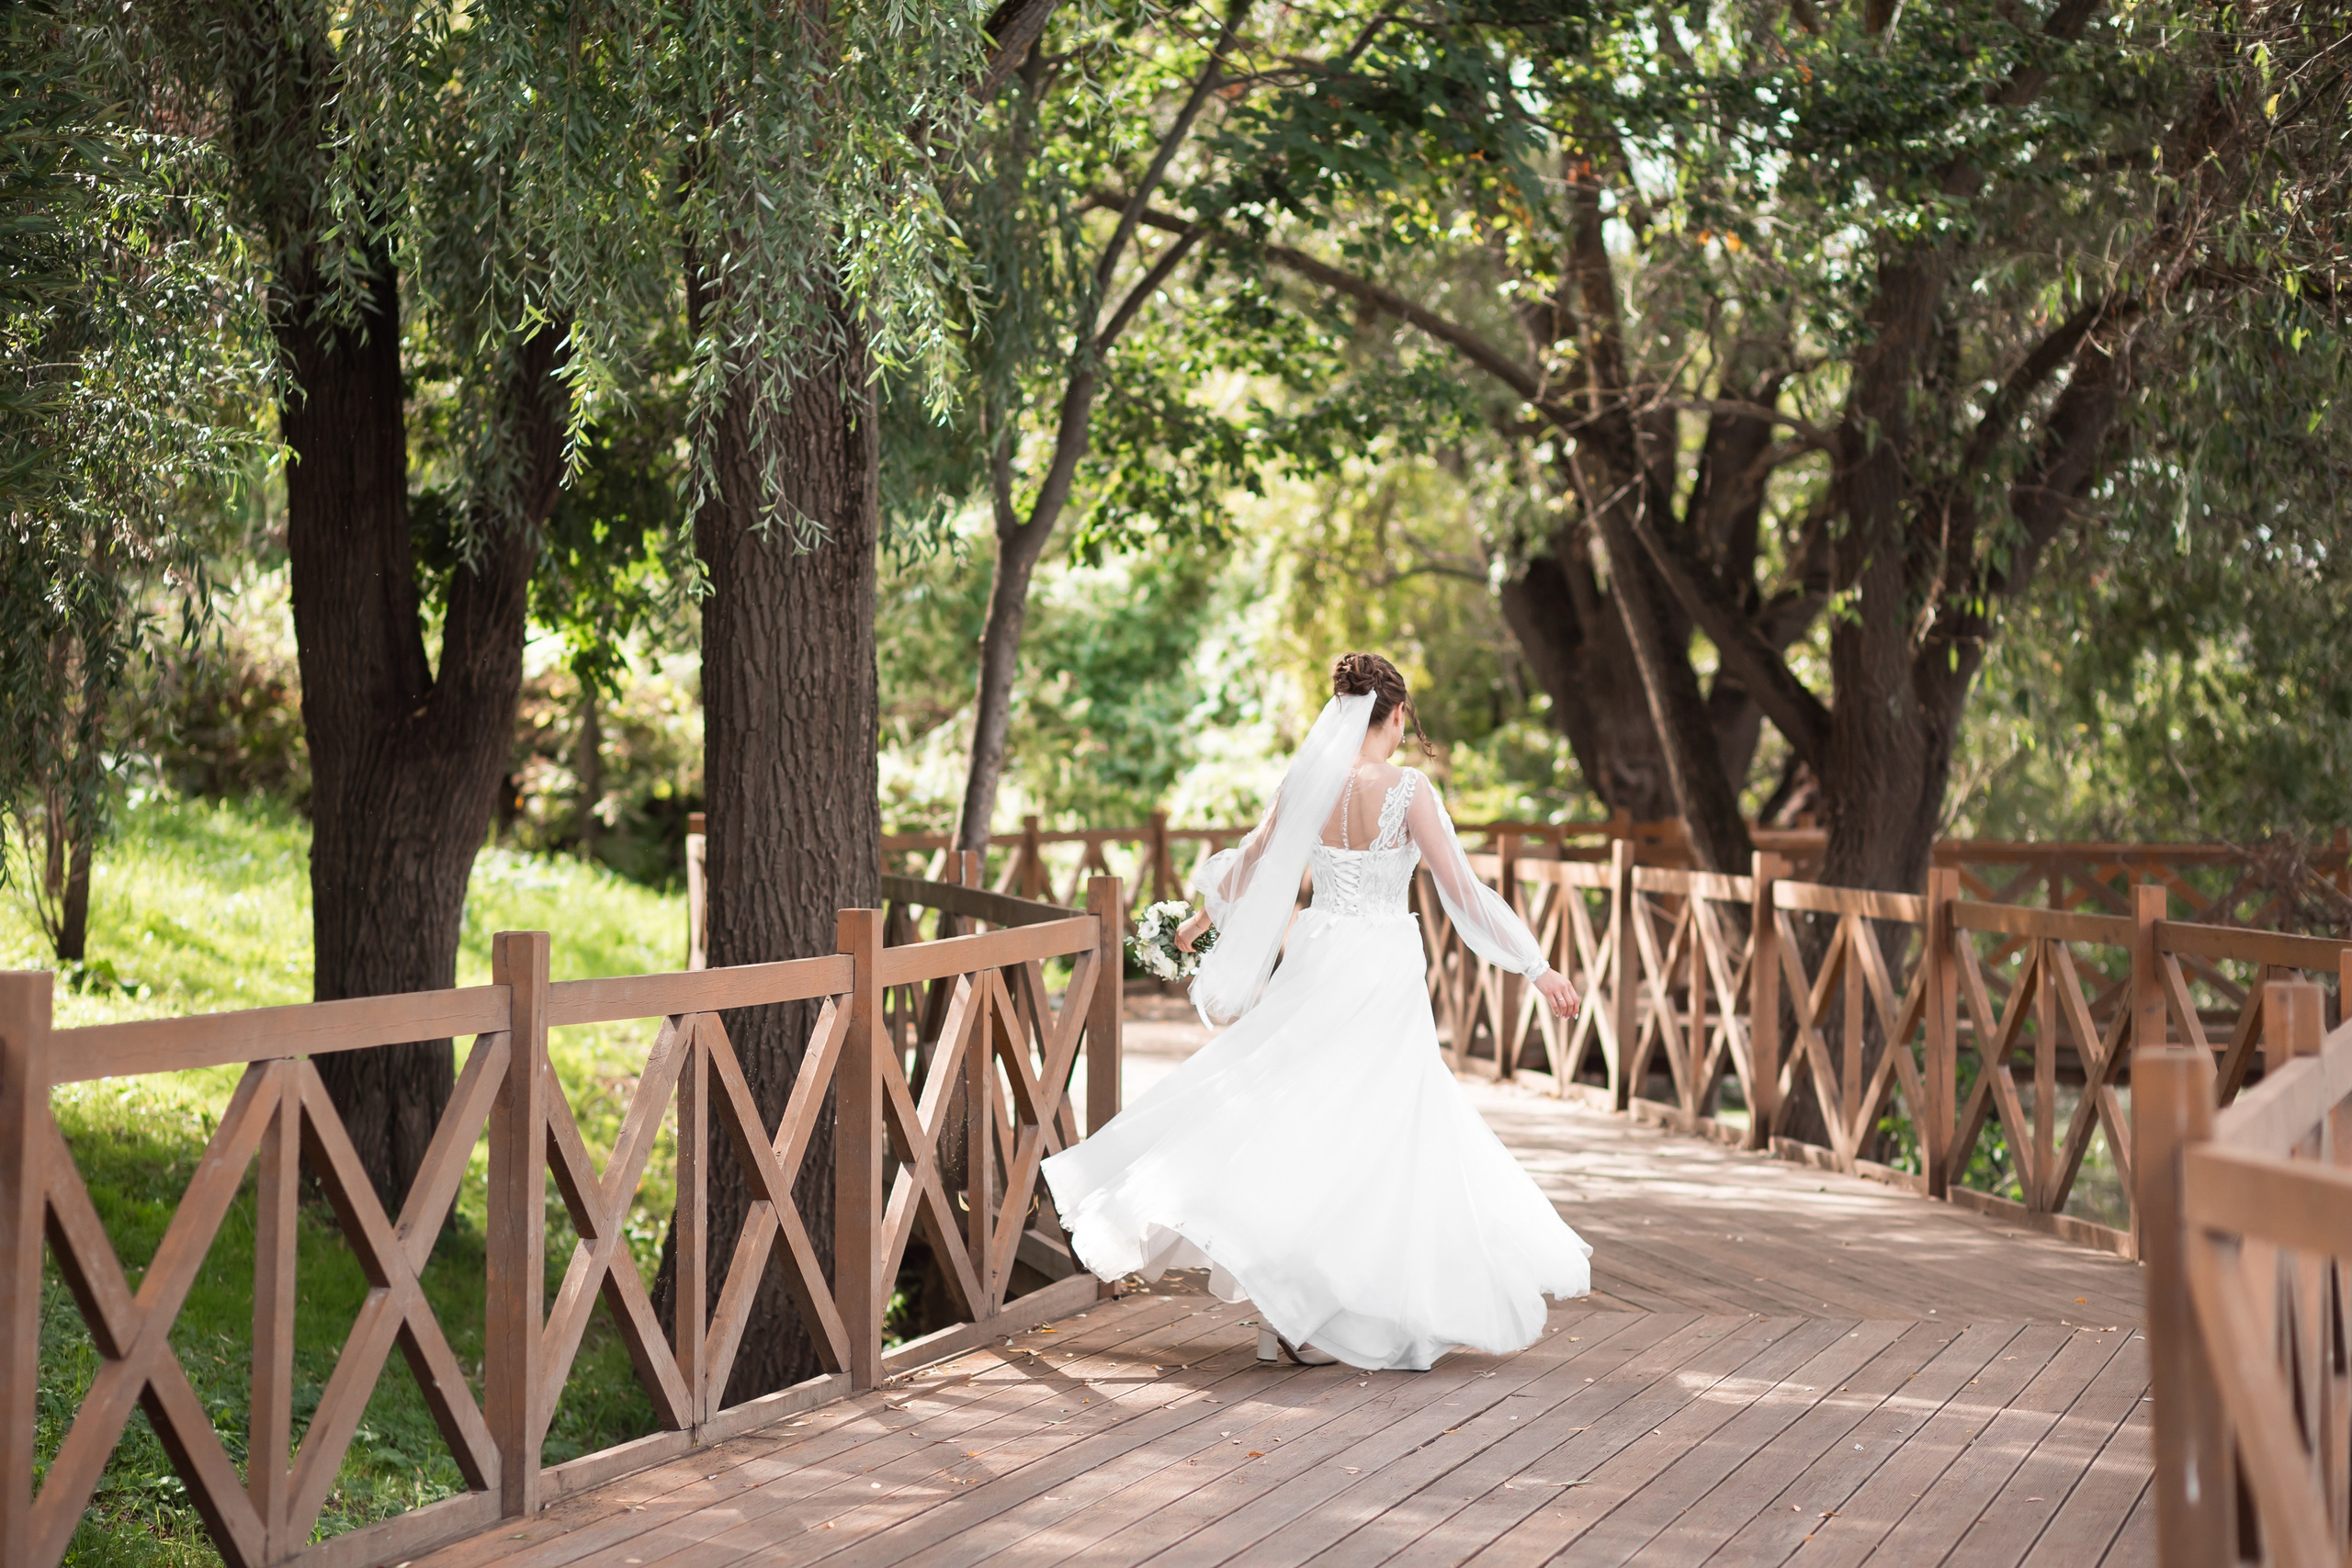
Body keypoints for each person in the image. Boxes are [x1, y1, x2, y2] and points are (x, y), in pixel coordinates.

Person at [1040, 653, 1593, 1371]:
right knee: (1372, 1128)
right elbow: (1463, 890)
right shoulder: (1410, 789)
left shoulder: (1307, 782)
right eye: (1402, 721)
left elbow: (1255, 857)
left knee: (1295, 1110)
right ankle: (1309, 1312)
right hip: (1384, 964)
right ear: (1394, 714)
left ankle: (1291, 1311)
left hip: (1318, 953)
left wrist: (1200, 919)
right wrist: (1535, 962)